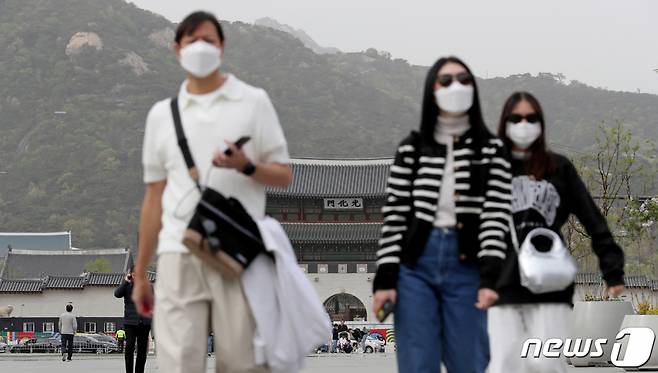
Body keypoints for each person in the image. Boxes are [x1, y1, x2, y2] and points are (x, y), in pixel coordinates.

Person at [131, 11, 292, 373]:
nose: (201, 48)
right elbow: (153, 197)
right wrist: (141, 273)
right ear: (176, 49)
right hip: (178, 250)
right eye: (192, 42)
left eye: (209, 40)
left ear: (222, 47)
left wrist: (246, 166)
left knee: (243, 363)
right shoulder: (162, 115)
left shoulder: (253, 101)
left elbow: (283, 175)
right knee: (178, 364)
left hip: (236, 253)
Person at [372, 56, 512, 373]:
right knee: (417, 362)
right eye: (446, 80)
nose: (456, 86)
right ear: (431, 90)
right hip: (416, 265)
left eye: (464, 79)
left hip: (468, 266)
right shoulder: (412, 148)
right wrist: (385, 279)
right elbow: (395, 216)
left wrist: (490, 277)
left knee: (469, 361)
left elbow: (495, 217)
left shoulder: (492, 150)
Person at [488, 92, 626, 373]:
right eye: (516, 118)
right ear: (505, 123)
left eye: (531, 118)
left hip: (549, 278)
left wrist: (612, 269)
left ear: (540, 124)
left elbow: (592, 217)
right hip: (502, 281)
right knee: (504, 364)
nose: (523, 123)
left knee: (547, 363)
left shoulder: (558, 167)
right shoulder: (491, 169)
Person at [115, 269, 152, 373]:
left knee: (142, 350)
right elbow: (117, 294)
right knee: (129, 347)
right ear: (131, 275)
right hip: (130, 323)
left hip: (144, 323)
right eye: (134, 275)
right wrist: (126, 281)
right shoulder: (127, 286)